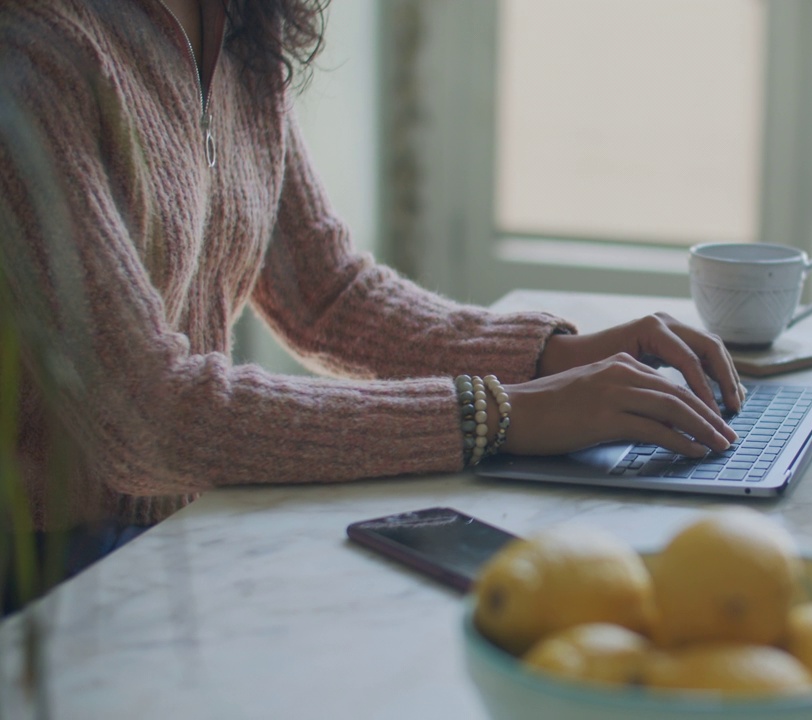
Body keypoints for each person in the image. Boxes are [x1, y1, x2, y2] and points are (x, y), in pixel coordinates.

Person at [0, 0, 744, 594]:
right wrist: (501, 415)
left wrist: (552, 355)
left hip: (183, 535)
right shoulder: (33, 46)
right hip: (47, 575)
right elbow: (149, 416)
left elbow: (328, 294)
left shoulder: (239, 24)